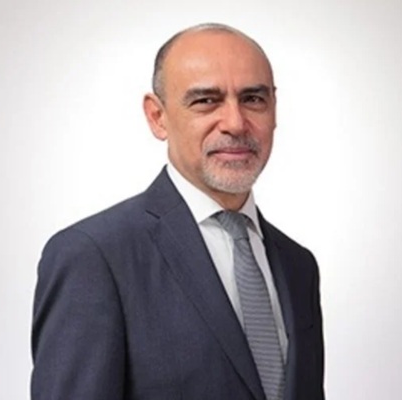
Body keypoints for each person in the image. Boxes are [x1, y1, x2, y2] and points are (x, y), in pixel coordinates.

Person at [31, 23, 325, 400]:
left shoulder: (298, 265)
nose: (235, 123)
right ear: (158, 117)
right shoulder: (94, 257)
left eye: (253, 99)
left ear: (274, 109)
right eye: (206, 101)